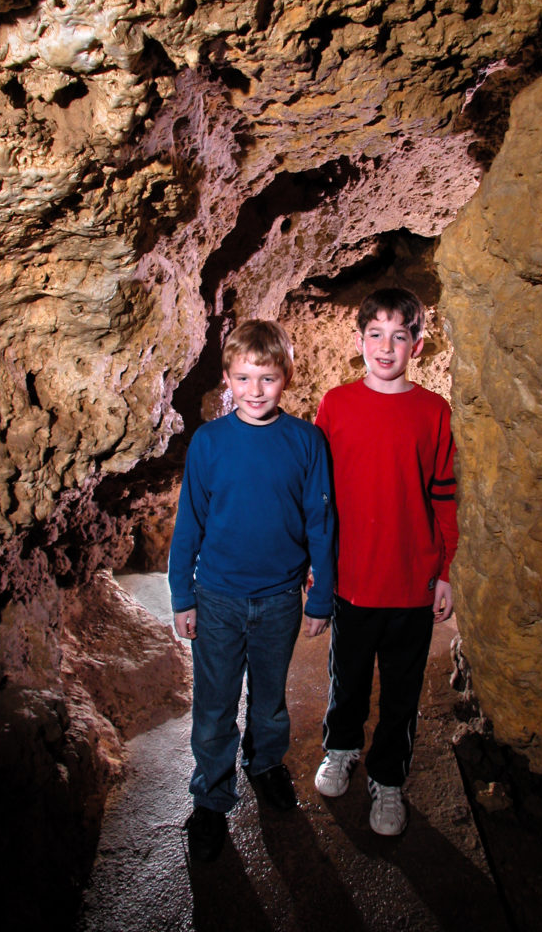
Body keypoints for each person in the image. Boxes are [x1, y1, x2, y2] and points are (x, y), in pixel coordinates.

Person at [169, 319, 335, 863]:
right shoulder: (210, 442)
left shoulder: (306, 442)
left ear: (286, 376)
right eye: (243, 378)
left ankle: (265, 764)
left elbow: (320, 523)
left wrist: (321, 595)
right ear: (227, 380)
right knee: (215, 707)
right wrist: (181, 595)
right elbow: (189, 522)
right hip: (216, 597)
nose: (255, 390)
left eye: (267, 378)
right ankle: (211, 800)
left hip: (281, 598)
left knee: (269, 699)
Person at [313, 287, 458, 836]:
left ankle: (389, 777)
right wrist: (317, 569)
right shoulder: (336, 404)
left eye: (400, 335)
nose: (386, 346)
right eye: (375, 334)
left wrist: (446, 570)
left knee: (402, 689)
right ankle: (342, 748)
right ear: (359, 341)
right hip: (352, 578)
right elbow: (318, 496)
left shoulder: (433, 411)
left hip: (411, 582)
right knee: (345, 679)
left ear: (417, 346)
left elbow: (444, 494)